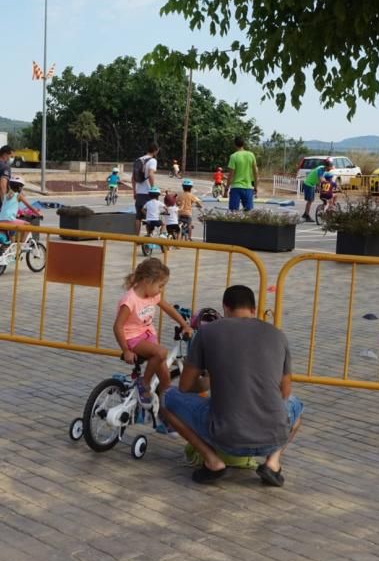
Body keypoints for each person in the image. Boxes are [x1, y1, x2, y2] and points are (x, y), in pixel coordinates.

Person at [162, 285, 304, 485]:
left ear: (225, 309)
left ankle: (213, 462)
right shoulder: (277, 335)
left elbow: (185, 386)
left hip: (225, 437)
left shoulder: (207, 332)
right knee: (297, 405)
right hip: (273, 435)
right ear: (254, 310)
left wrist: (210, 382)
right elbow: (285, 392)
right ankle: (273, 462)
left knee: (167, 397)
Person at [114, 258, 192, 411]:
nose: (161, 289)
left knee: (165, 378)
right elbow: (118, 326)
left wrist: (184, 325)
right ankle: (144, 383)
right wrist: (126, 350)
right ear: (147, 281)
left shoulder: (152, 295)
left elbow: (168, 308)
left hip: (148, 336)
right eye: (160, 285)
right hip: (132, 338)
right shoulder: (130, 300)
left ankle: (165, 416)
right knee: (162, 352)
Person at [0, 175, 42, 245]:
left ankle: (4, 251)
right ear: (20, 187)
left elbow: (9, 207)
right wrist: (38, 213)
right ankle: (22, 245)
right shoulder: (18, 196)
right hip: (10, 221)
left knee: (6, 244)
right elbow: (29, 206)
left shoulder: (6, 195)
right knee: (28, 225)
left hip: (0, 221)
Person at [225, 136, 258, 212]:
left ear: (235, 145)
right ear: (244, 144)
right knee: (248, 213)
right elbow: (256, 172)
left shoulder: (233, 156)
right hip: (248, 188)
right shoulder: (251, 155)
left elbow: (230, 175)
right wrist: (255, 187)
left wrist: (226, 189)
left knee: (233, 212)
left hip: (236, 187)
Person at [133, 143, 159, 234]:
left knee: (138, 217)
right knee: (149, 216)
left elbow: (133, 178)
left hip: (139, 192)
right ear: (155, 151)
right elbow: (151, 174)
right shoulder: (152, 160)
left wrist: (134, 191)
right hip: (148, 193)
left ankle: (136, 238)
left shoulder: (138, 159)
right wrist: (153, 189)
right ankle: (148, 236)